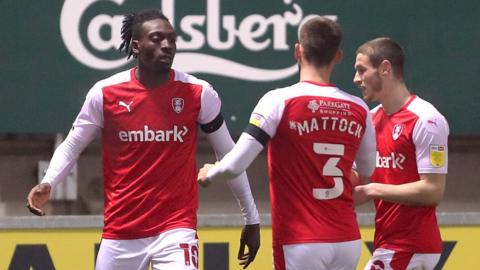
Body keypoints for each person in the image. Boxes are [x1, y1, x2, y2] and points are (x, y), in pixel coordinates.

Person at [26, 8, 260, 270]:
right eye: (157, 38)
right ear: (136, 46)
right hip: (120, 233)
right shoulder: (105, 94)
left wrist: (251, 218)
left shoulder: (198, 93)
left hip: (176, 229)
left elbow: (230, 157)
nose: (167, 45)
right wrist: (48, 181)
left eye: (171, 39)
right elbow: (71, 146)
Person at [198, 16, 376, 270]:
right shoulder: (359, 108)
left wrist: (209, 174)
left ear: (298, 51)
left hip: (300, 241)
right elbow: (367, 171)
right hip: (347, 240)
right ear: (338, 56)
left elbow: (235, 165)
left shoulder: (279, 101)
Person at [352, 37, 449, 270]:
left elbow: (433, 190)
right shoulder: (371, 119)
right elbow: (356, 177)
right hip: (388, 244)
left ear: (385, 69)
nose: (356, 79)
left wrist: (372, 190)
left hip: (411, 247)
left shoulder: (427, 120)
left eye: (361, 70)